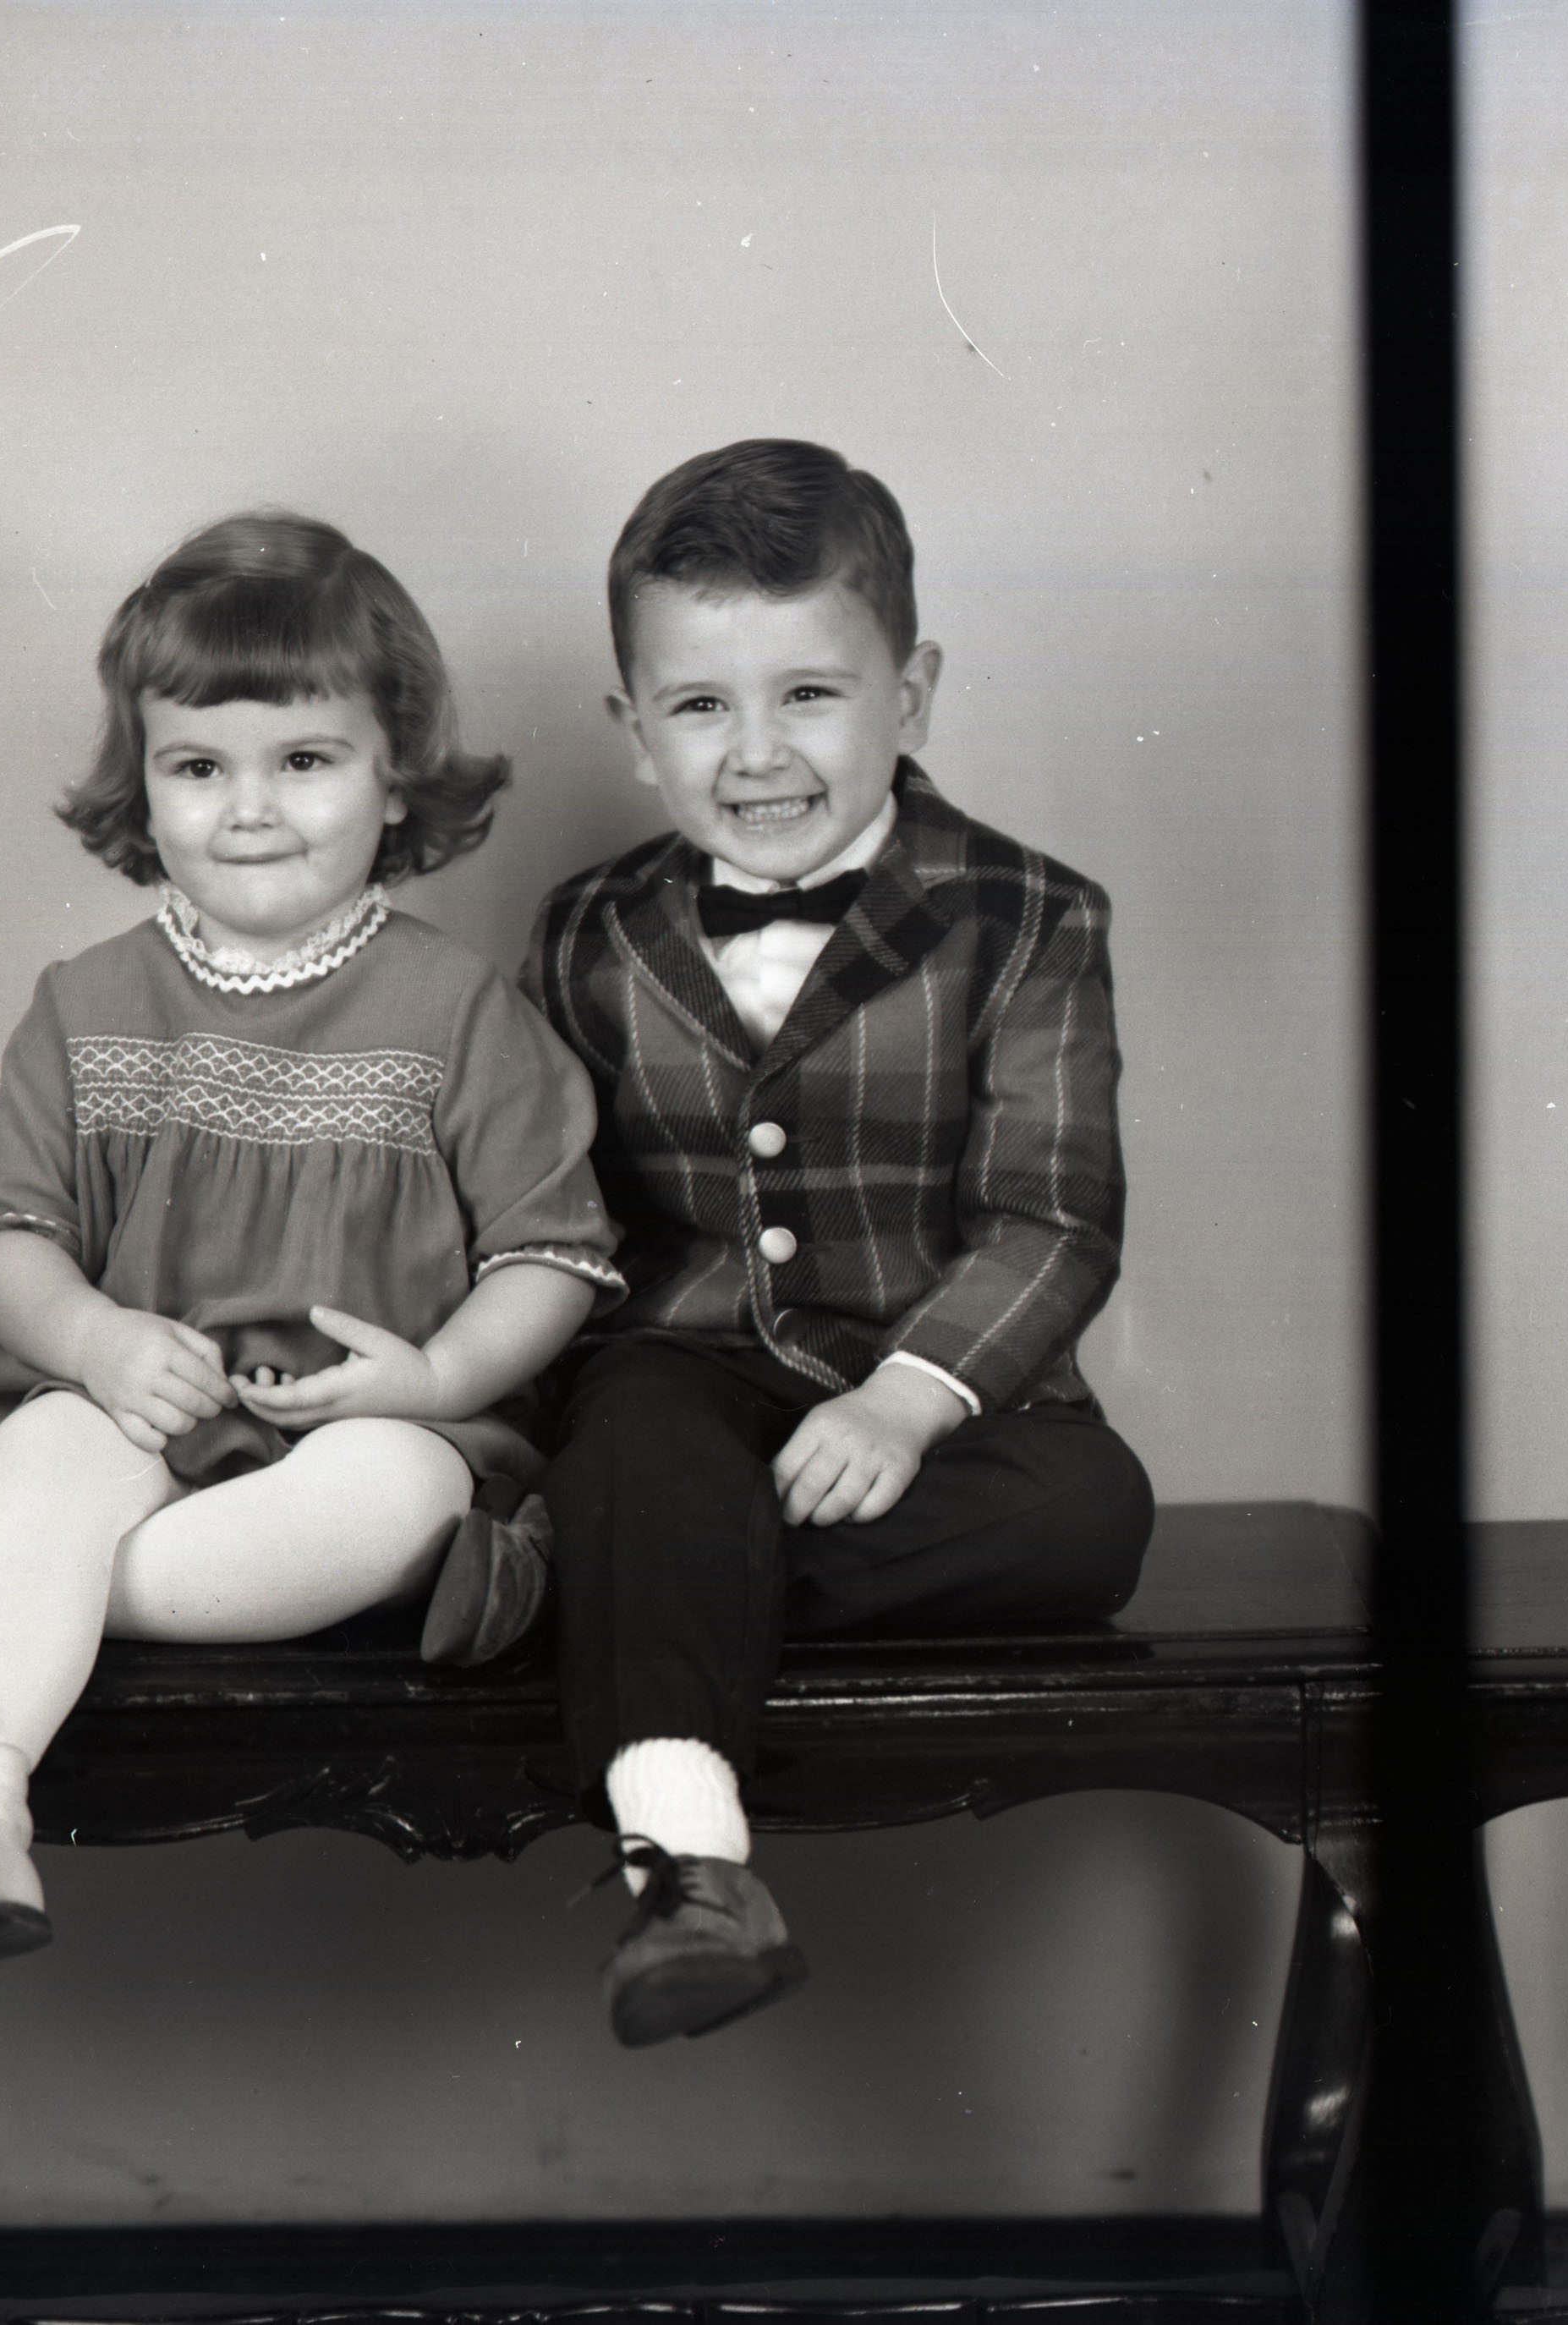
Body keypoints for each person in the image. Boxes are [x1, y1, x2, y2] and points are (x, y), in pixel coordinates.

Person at [0, 513, 620, 1960]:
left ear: (394, 774)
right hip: (134, 1417)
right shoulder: (86, 1002)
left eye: (304, 760)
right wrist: (97, 1338)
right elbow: (4, 1238)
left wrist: (432, 1378)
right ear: (144, 782)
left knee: (401, 1493)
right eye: (198, 766)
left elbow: (550, 1257)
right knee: (52, 1437)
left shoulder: (459, 1012)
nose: (249, 808)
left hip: (358, 1440)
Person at [524, 439, 1154, 2048]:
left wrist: (908, 1399)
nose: (757, 754)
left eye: (809, 693)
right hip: (681, 1370)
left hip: (932, 1402)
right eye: (699, 705)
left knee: (1091, 1514)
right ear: (633, 728)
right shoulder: (587, 929)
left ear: (911, 693)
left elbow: (1054, 1216)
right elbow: (546, 1212)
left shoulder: (1030, 913)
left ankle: (632, 1581)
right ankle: (695, 1871)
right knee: (638, 1441)